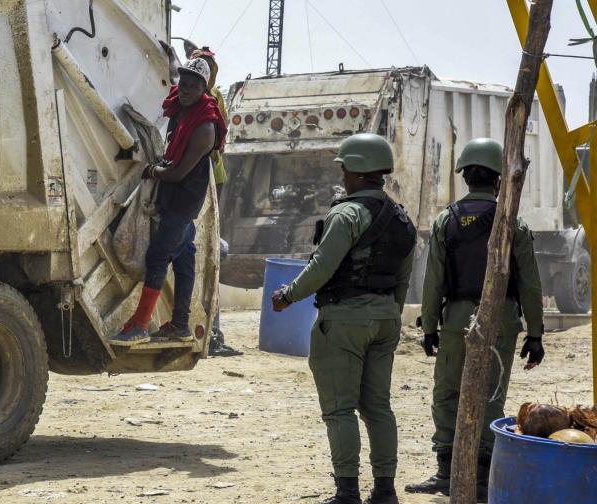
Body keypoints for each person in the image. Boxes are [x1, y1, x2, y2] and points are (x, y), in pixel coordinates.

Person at [271, 133, 416, 504]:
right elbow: (403, 278)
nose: (342, 175)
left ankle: (347, 491)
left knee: (339, 409)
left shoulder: (347, 213)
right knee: (378, 408)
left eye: (344, 168)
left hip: (344, 321)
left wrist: (288, 295)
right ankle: (385, 490)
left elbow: (322, 266)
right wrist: (389, 316)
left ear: (356, 169)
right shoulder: (401, 218)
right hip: (385, 319)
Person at [405, 138, 544, 501]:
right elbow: (530, 282)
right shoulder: (514, 224)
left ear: (464, 176)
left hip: (456, 319)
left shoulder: (445, 221)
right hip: (502, 318)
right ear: (499, 180)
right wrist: (536, 334)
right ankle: (482, 475)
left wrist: (431, 327)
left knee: (447, 392)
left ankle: (445, 472)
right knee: (492, 395)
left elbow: (433, 280)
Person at [111, 58, 227, 346]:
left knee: (158, 256)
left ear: (204, 88)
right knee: (184, 260)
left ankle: (139, 324)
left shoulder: (204, 128)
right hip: (176, 198)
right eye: (183, 83)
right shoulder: (181, 111)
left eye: (193, 86)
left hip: (183, 201)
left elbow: (176, 173)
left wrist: (151, 171)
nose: (185, 89)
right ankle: (180, 325)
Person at [187, 45, 241, 357]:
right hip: (205, 187)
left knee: (211, 255)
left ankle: (213, 333)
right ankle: (213, 333)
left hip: (203, 187)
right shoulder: (205, 105)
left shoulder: (204, 109)